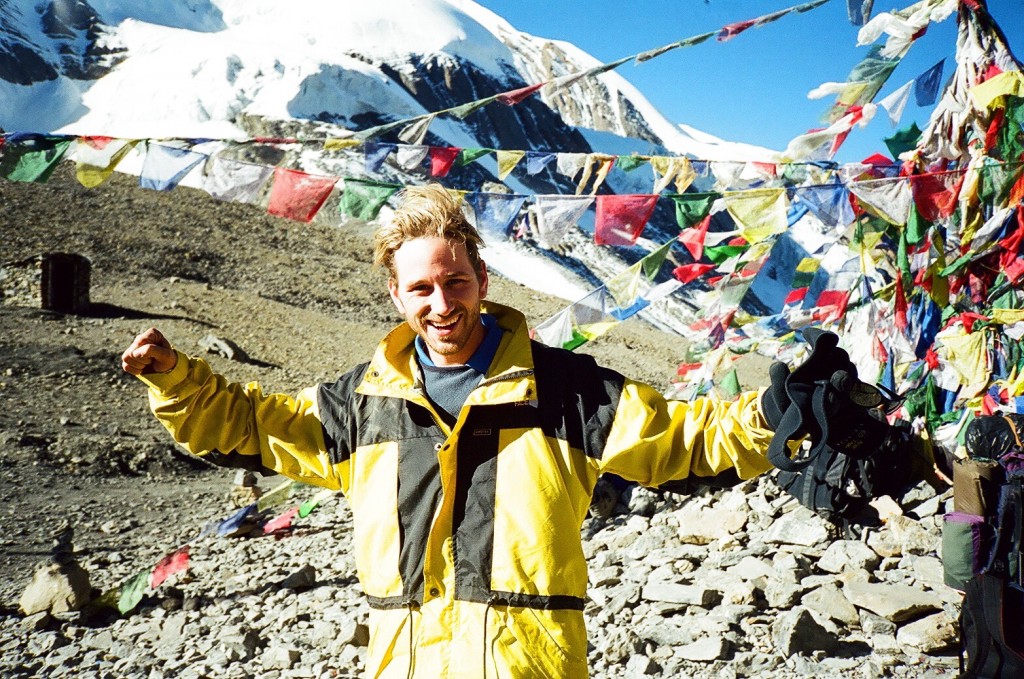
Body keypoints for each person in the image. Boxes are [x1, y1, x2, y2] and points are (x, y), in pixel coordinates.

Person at [121, 183, 857, 678]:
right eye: (421, 288)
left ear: (482, 277)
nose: (441, 303)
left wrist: (775, 413)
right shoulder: (361, 402)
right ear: (395, 292)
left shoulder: (569, 390)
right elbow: (250, 425)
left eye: (456, 281)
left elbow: (680, 438)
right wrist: (173, 376)